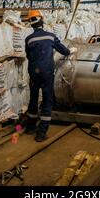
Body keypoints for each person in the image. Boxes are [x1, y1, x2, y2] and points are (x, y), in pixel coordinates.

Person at [24, 9, 73, 142]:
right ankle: (41, 132)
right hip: (46, 73)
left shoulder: (28, 39)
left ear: (31, 24)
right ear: (42, 21)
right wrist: (70, 51)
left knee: (33, 99)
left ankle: (30, 127)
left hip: (34, 73)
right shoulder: (50, 36)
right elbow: (63, 50)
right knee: (47, 100)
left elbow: (28, 56)